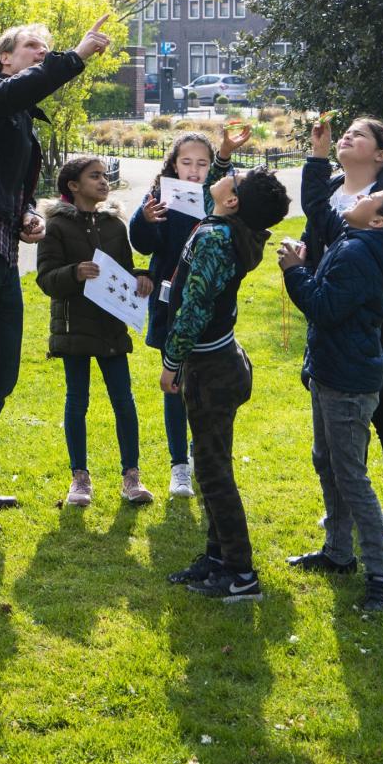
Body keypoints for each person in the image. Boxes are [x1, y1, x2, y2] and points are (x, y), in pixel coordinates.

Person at [0, 16, 112, 537]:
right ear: (4, 57)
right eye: (33, 46)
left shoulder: (18, 120)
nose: (42, 52)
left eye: (47, 48)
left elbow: (10, 189)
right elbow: (18, 91)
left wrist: (28, 215)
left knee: (1, 376)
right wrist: (74, 57)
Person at [281, 170, 383, 613]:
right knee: (327, 461)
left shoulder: (361, 254)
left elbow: (323, 307)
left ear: (378, 221)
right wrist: (317, 159)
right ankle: (338, 553)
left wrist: (295, 271)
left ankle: (382, 579)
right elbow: (320, 211)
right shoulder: (360, 240)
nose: (359, 198)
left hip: (347, 380)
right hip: (332, 369)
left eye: (369, 199)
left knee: (350, 476)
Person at [161, 164, 289, 602]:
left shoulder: (217, 239)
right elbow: (208, 198)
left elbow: (195, 308)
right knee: (212, 464)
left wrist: (172, 362)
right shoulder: (224, 226)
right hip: (219, 363)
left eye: (232, 177)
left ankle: (240, 573)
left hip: (211, 370)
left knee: (213, 474)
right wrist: (223, 161)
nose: (225, 175)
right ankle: (216, 557)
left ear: (231, 200)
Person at [300, 115, 383, 542]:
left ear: (380, 154)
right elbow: (316, 226)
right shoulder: (334, 190)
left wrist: (349, 298)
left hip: (376, 322)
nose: (348, 136)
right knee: (338, 420)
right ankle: (347, 512)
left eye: (359, 134)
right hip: (332, 317)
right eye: (348, 131)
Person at [130, 123, 252, 496]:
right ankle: (178, 465)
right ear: (174, 164)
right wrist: (145, 220)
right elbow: (143, 243)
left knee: (202, 385)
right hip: (168, 304)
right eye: (186, 162)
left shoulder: (216, 198)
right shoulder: (160, 197)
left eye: (202, 163)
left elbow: (224, 185)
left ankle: (199, 453)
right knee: (174, 384)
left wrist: (225, 154)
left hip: (205, 305)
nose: (194, 170)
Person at [36, 155, 155, 508]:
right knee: (77, 401)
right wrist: (75, 273)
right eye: (95, 176)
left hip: (111, 326)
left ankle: (131, 477)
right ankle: (80, 479)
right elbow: (46, 279)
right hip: (74, 327)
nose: (104, 181)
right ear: (73, 186)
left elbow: (125, 270)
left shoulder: (114, 225)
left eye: (105, 176)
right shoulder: (55, 226)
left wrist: (141, 278)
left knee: (124, 401)